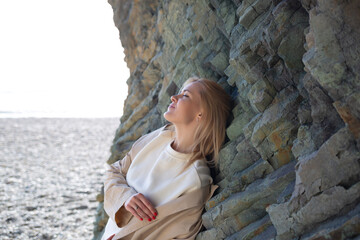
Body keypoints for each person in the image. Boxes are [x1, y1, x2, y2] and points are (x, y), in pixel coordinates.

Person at [102, 77, 232, 240]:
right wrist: (125, 197)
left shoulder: (195, 181)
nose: (174, 97)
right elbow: (114, 171)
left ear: (201, 114)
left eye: (186, 96)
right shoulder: (158, 137)